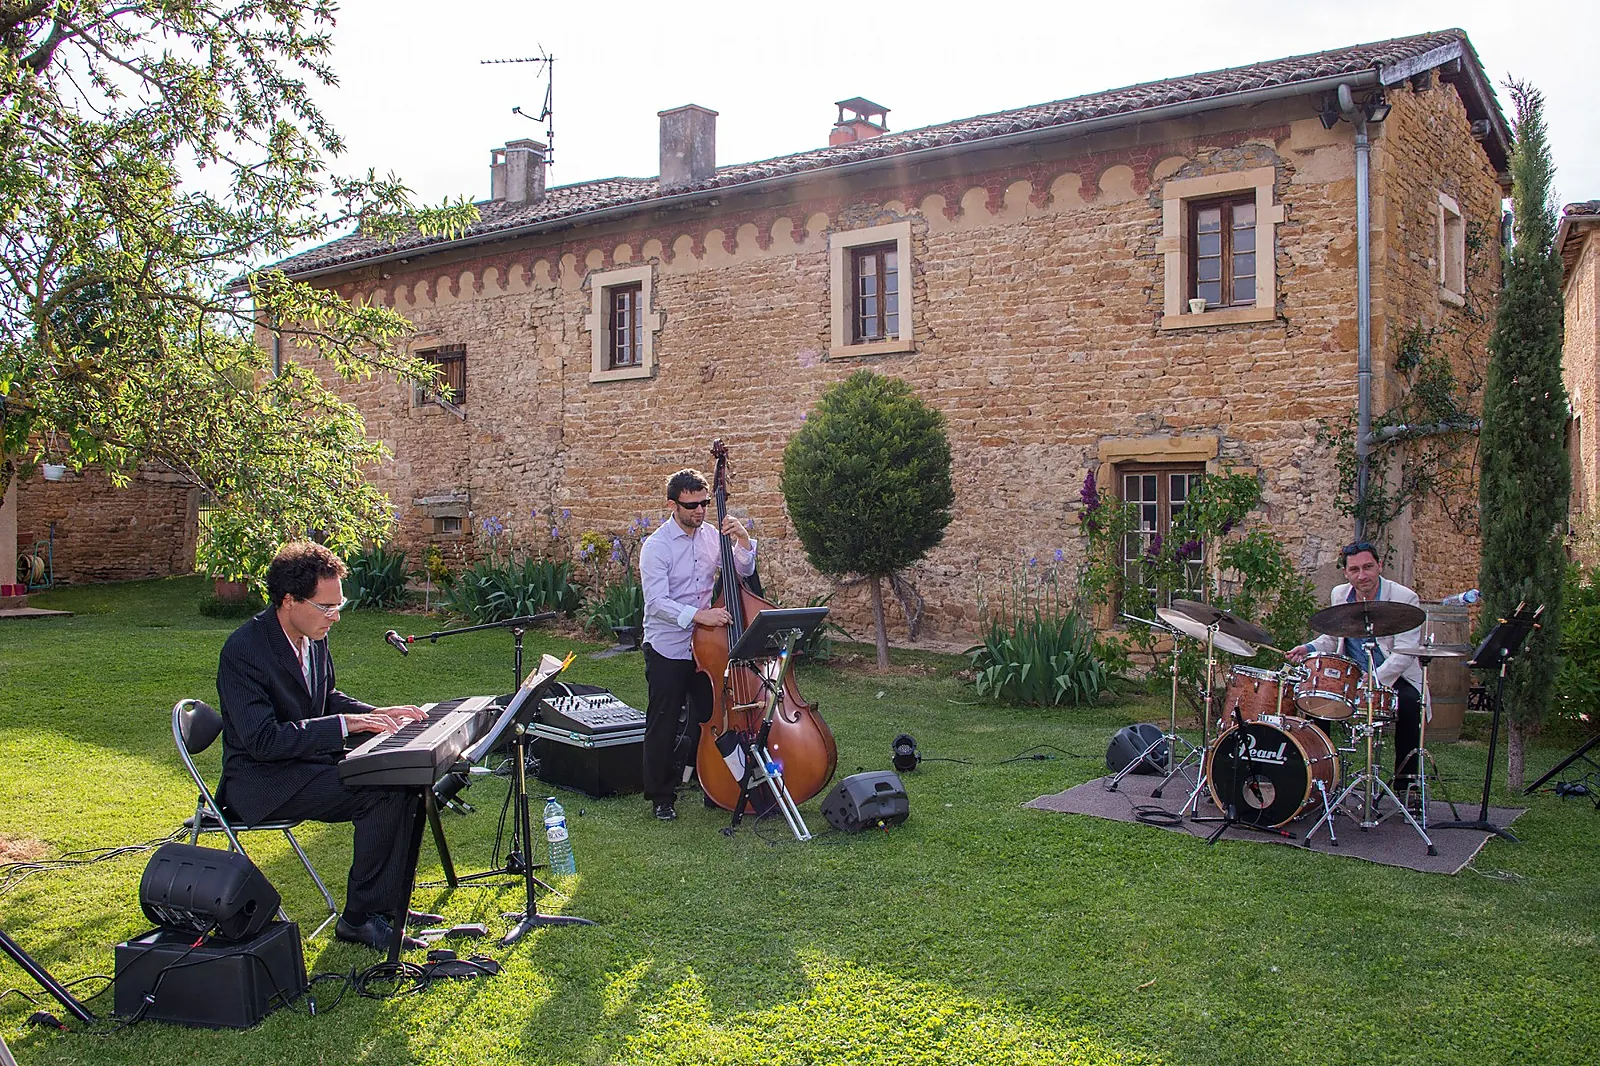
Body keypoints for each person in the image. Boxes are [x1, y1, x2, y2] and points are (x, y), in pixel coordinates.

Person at [216, 541, 429, 951]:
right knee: (381, 789)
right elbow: (262, 741)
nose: (335, 616)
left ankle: (388, 906)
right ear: (289, 600)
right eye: (326, 607)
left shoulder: (313, 636)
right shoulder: (244, 650)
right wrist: (345, 725)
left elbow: (325, 697)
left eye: (339, 605)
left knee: (405, 779)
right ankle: (358, 919)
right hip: (262, 782)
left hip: (305, 763)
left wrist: (374, 713)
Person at [638, 469, 756, 821]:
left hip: (708, 648)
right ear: (672, 505)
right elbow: (656, 603)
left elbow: (742, 571)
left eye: (704, 503)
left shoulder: (711, 537)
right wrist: (699, 615)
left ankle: (714, 785)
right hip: (668, 647)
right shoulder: (656, 546)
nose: (701, 510)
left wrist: (743, 541)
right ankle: (661, 797)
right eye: (692, 505)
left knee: (713, 717)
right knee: (664, 721)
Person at [1286, 540, 1425, 790]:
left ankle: (1406, 784)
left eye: (1367, 567)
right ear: (1346, 573)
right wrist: (1308, 648)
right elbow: (1332, 637)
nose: (1362, 575)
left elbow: (1404, 653)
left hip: (1393, 677)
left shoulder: (1404, 598)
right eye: (1354, 569)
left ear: (1379, 566)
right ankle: (1320, 778)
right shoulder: (1340, 594)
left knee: (1410, 703)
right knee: (1315, 698)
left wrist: (1374, 678)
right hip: (1350, 676)